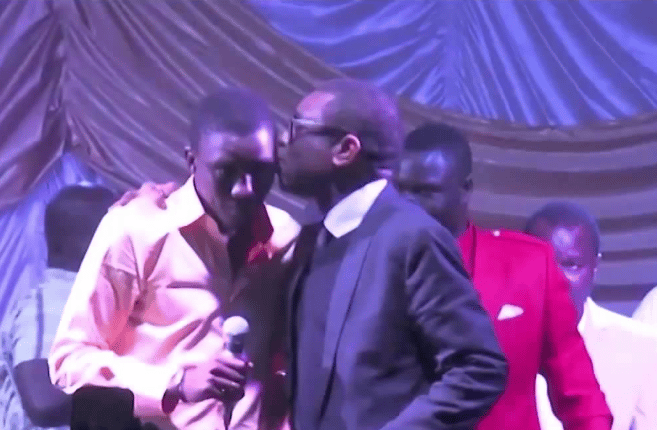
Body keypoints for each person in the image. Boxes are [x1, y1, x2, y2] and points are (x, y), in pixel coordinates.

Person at [48, 88, 299, 430]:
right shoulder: (136, 230)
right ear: (191, 161)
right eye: (227, 170)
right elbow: (69, 359)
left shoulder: (288, 238)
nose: (245, 188)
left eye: (260, 170)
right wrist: (173, 382)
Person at [275, 79, 507, 430]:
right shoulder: (313, 237)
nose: (283, 139)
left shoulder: (411, 236)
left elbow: (479, 367)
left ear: (345, 150)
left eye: (297, 128)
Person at [396, 123, 612, 430]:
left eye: (425, 192)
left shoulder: (528, 266)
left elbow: (582, 399)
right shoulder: (363, 266)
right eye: (399, 190)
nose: (406, 204)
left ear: (465, 189)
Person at [0, 185, 116, 430]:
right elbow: (43, 402)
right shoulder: (51, 303)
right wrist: (136, 386)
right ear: (91, 243)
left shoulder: (93, 301)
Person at [526, 201, 657, 430]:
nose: (555, 279)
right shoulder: (487, 342)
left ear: (595, 266)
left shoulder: (642, 347)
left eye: (571, 265)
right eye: (541, 263)